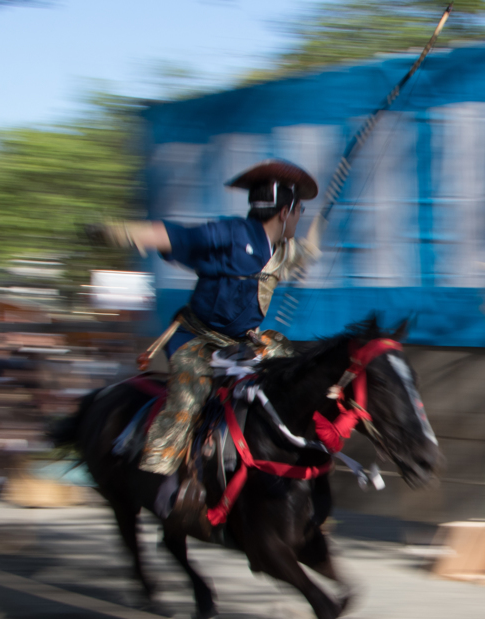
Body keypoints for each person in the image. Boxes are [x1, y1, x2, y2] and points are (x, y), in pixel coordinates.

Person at [93, 159, 321, 475]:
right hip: (198, 342)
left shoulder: (281, 248)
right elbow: (179, 237)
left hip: (244, 344)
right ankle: (158, 475)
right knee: (187, 402)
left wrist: (319, 230)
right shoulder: (230, 234)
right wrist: (124, 232)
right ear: (285, 213)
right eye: (300, 212)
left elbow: (304, 252)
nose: (300, 219)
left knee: (295, 374)